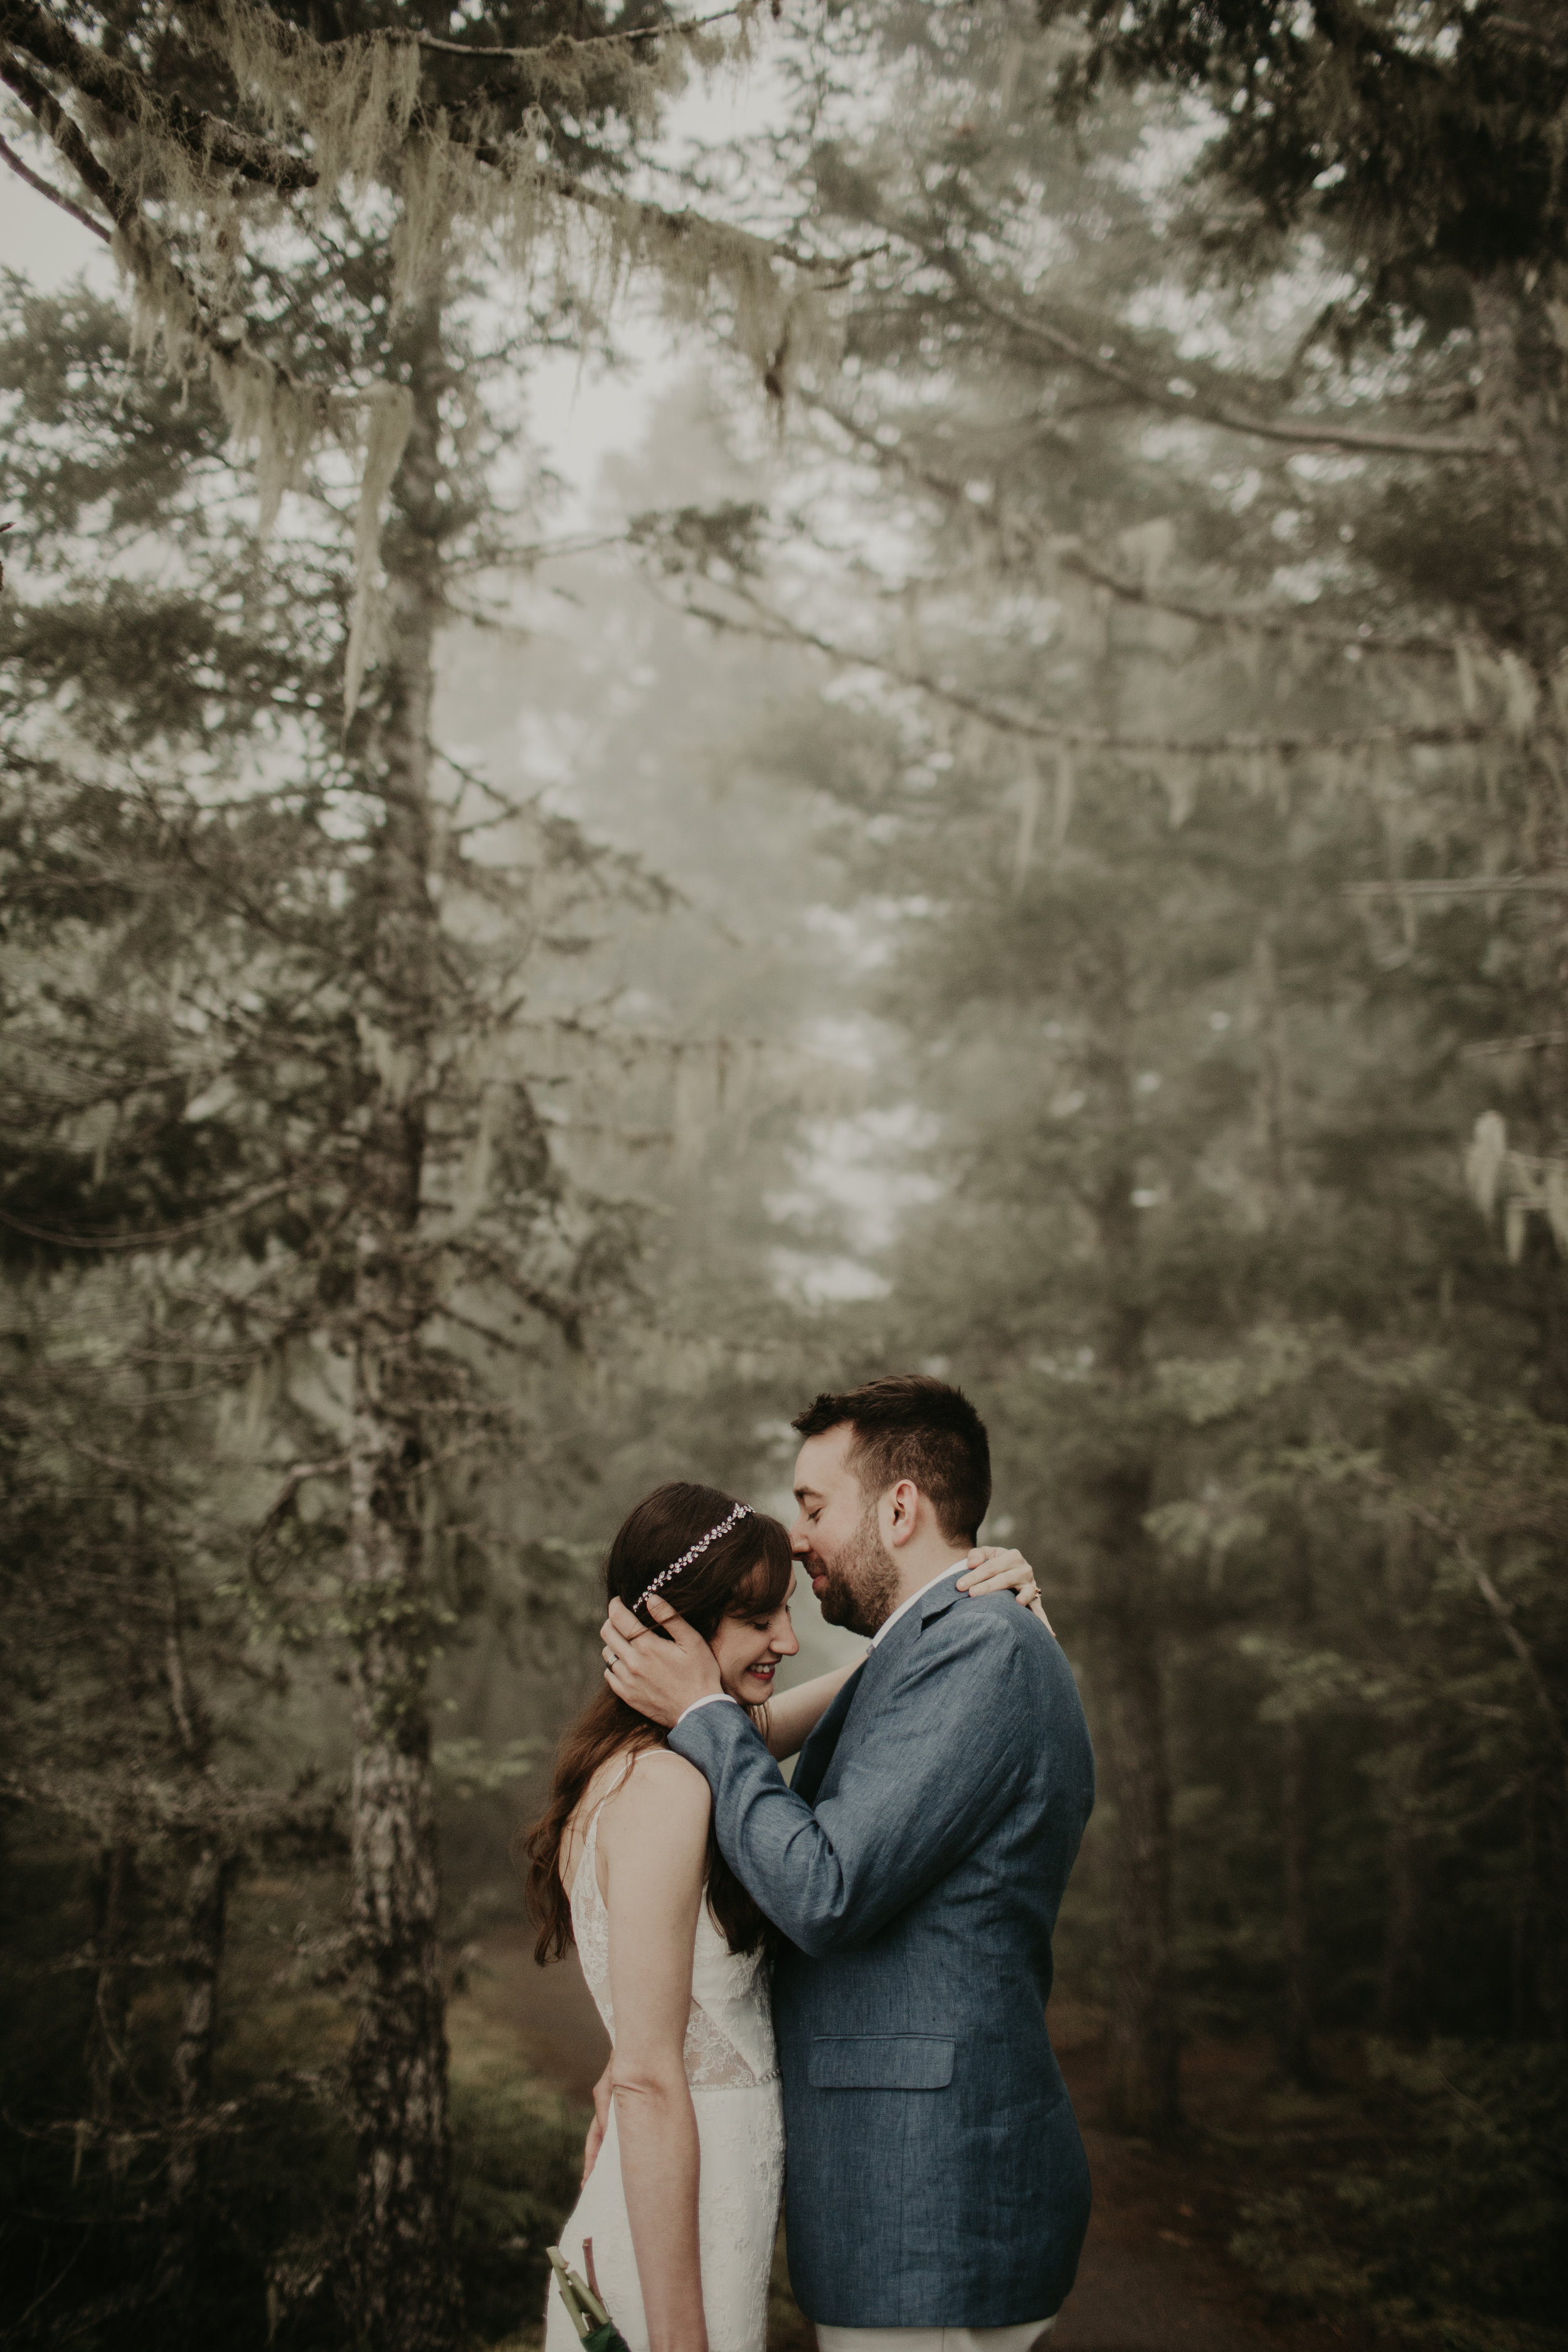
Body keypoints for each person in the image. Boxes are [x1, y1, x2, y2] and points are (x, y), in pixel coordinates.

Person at [601, 1376, 1095, 2352]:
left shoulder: (981, 1649)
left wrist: (702, 1709)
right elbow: (757, 1744)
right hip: (904, 2199)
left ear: (901, 1505)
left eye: (814, 1506)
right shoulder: (935, 1646)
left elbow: (824, 1890)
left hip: (927, 2199)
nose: (795, 1538)